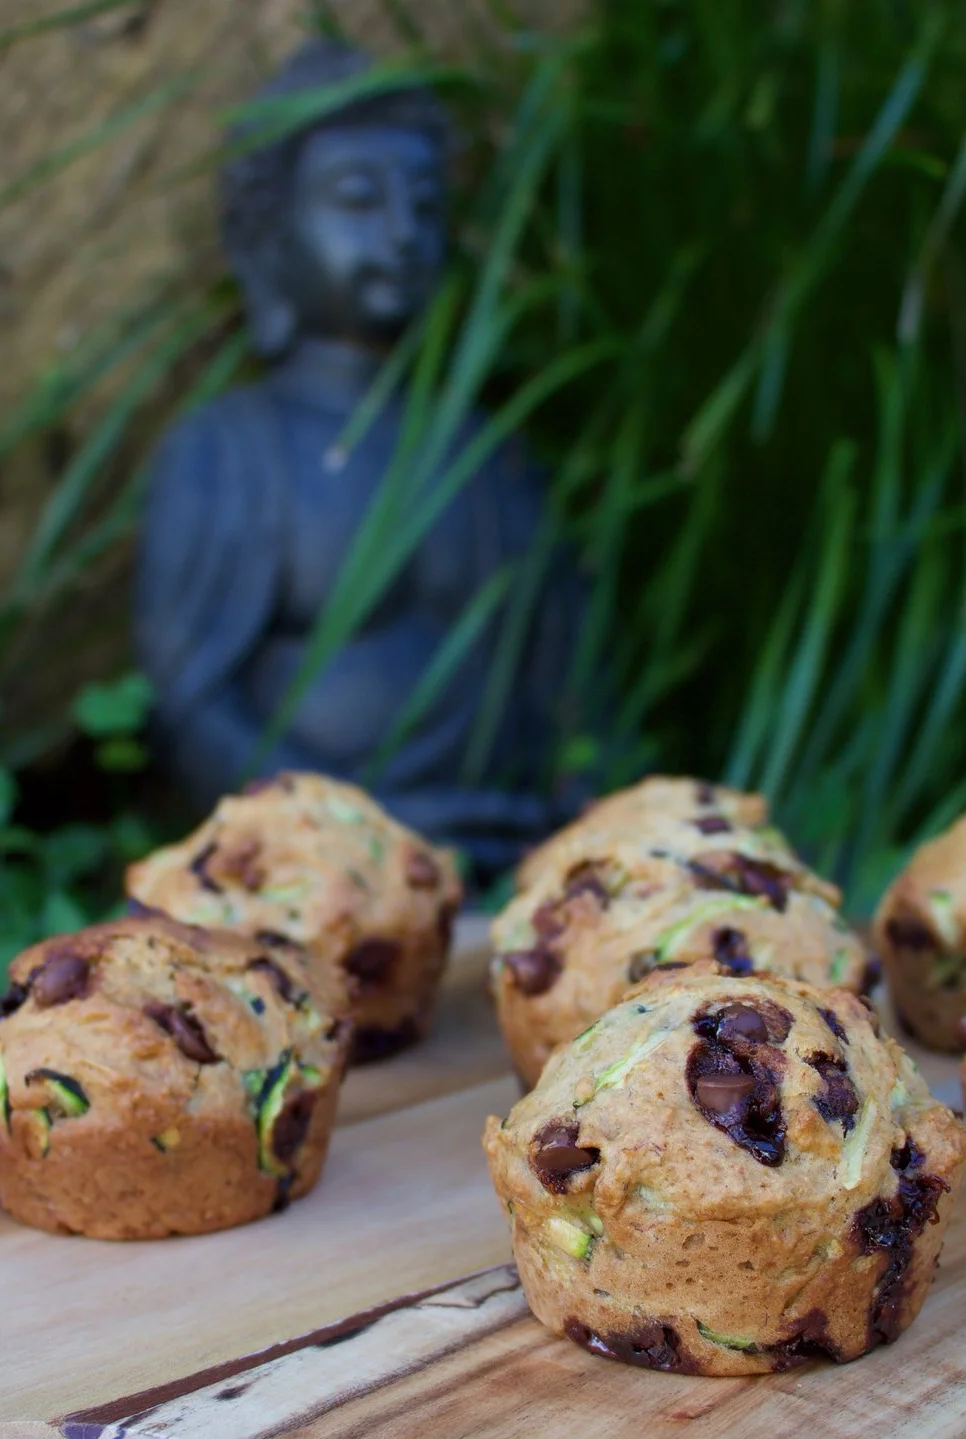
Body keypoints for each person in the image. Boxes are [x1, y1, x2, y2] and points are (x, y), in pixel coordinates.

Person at [134, 39, 579, 875]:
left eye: (424, 201)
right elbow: (185, 700)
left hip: (499, 855)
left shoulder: (492, 449)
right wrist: (355, 829)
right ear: (266, 234)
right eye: (357, 199)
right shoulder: (229, 451)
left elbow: (572, 685)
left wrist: (581, 818)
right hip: (306, 878)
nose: (403, 233)